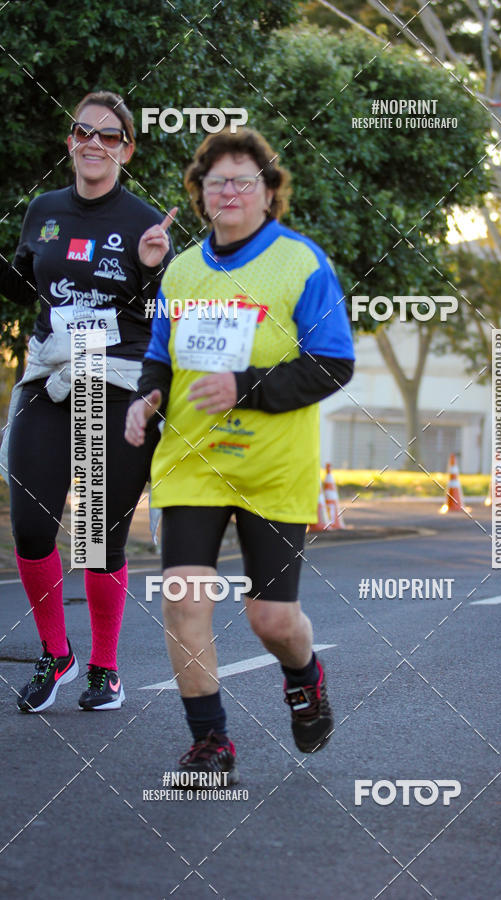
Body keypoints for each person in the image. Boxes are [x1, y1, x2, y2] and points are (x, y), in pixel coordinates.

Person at [125, 127, 354, 778]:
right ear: (200, 195)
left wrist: (247, 387)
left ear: (268, 193)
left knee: (272, 620)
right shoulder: (184, 269)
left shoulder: (302, 262)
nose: (228, 190)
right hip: (191, 464)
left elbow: (334, 364)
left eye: (243, 180)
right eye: (216, 180)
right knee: (184, 598)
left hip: (272, 468)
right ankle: (211, 741)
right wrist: (147, 400)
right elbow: (159, 359)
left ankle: (304, 676)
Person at [0, 91, 175, 711]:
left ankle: (105, 668)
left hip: (118, 378)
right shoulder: (43, 211)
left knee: (101, 536)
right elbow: (30, 284)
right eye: (83, 132)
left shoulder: (145, 222)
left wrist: (153, 270)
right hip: (49, 375)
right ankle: (57, 654)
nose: (94, 144)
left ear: (127, 149)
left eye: (109, 136)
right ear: (70, 141)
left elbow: (165, 317)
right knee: (30, 526)